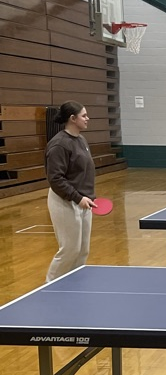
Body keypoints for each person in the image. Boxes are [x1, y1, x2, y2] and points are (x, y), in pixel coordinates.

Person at [45, 101, 96, 283]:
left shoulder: (81, 140)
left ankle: (75, 285)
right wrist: (77, 197)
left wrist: (88, 196)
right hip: (64, 201)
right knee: (69, 249)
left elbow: (85, 172)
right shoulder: (59, 145)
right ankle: (50, 286)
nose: (87, 118)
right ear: (72, 119)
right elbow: (56, 179)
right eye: (84, 115)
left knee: (82, 250)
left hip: (83, 200)